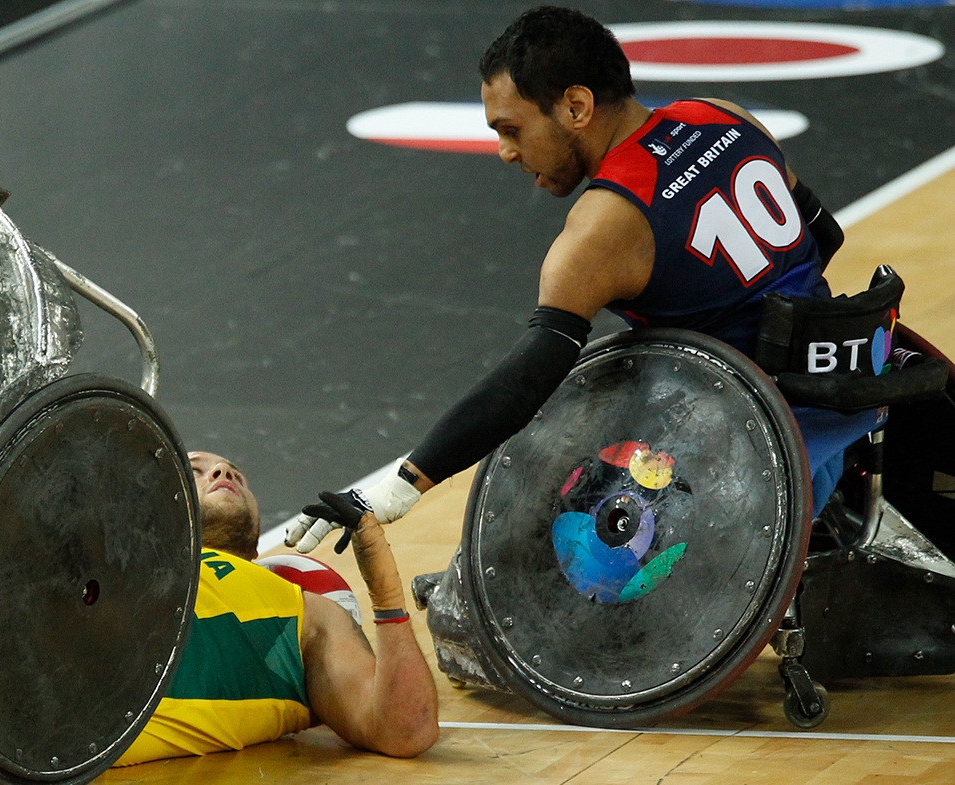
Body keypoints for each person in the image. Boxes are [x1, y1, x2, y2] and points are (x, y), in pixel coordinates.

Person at [287, 6, 868, 552]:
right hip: (852, 399)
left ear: (576, 107)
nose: (505, 152)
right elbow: (824, 236)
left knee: (542, 542)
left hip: (758, 468)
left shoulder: (605, 225)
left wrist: (396, 487)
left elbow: (522, 387)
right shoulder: (720, 115)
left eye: (511, 129)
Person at [115, 451, 439, 766]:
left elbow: (406, 731)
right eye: (194, 471)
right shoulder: (120, 564)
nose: (223, 473)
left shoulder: (311, 613)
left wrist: (386, 595)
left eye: (237, 475)